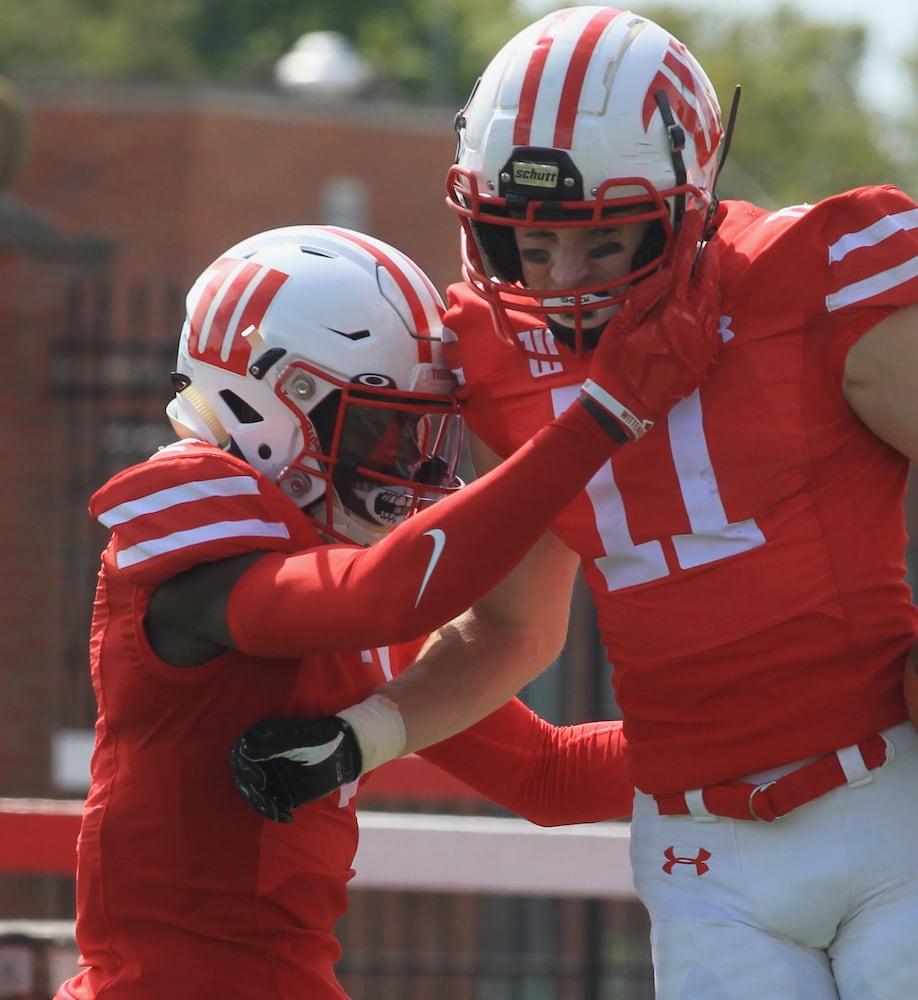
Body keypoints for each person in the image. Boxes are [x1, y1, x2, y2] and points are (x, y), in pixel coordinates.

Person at [230, 9, 918, 999]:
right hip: (698, 851)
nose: (561, 283)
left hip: (895, 807)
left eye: (602, 243)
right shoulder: (490, 354)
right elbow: (512, 632)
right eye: (527, 244)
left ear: (687, 199)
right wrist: (366, 734)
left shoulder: (808, 281)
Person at [54, 220, 720, 999]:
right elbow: (386, 596)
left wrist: (773, 731)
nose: (412, 465)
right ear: (276, 396)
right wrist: (598, 418)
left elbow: (551, 775)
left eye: (423, 432)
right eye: (384, 427)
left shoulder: (336, 589)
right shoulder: (206, 530)